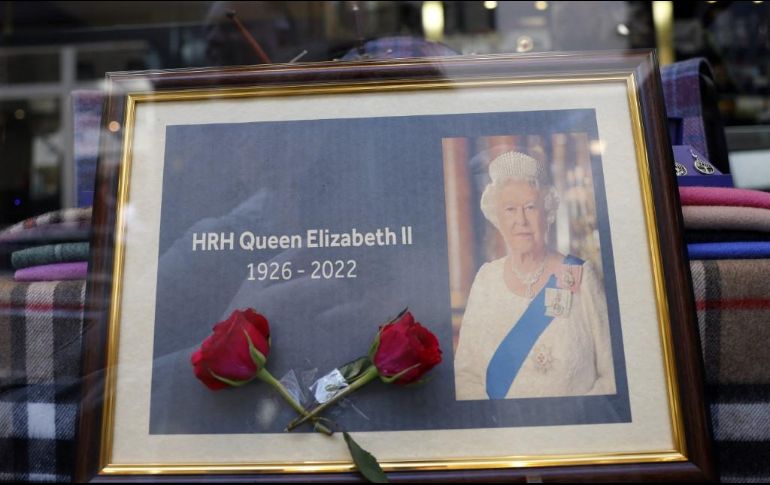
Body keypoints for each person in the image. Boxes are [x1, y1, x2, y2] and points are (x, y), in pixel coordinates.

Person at [454, 151, 616, 400]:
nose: (521, 220)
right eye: (510, 209)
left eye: (530, 207)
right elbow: (465, 377)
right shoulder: (486, 280)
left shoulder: (581, 276)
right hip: (503, 434)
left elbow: (612, 375)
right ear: (498, 217)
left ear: (547, 212)